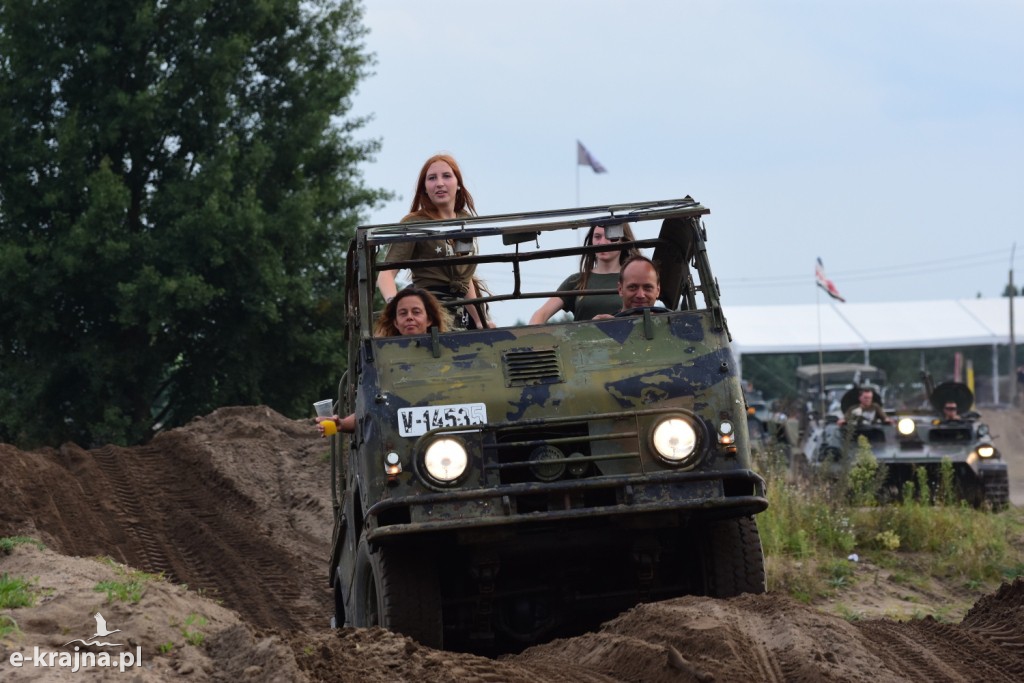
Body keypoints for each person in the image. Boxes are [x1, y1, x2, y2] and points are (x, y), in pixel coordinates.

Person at [375, 154, 494, 330]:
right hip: (430, 314)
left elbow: (464, 279)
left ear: (458, 184)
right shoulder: (415, 223)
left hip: (462, 314)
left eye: (446, 176)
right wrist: (396, 306)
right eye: (432, 178)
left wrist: (480, 320)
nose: (439, 183)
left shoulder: (464, 221)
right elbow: (385, 275)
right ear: (424, 188)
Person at [316, 288, 451, 435]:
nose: (410, 317)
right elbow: (371, 409)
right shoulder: (382, 360)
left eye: (416, 312)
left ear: (429, 319)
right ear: (396, 322)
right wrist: (341, 423)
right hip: (396, 437)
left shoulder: (450, 353)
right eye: (403, 313)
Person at [528, 223, 640, 323]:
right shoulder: (577, 281)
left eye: (610, 237)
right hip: (582, 346)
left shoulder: (635, 280)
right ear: (591, 240)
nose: (602, 242)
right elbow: (540, 314)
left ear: (624, 241)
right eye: (597, 237)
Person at [591, 255, 662, 319]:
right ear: (620, 289)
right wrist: (595, 329)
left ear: (658, 290)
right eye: (633, 287)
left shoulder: (670, 324)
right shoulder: (606, 327)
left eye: (647, 288)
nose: (640, 295)